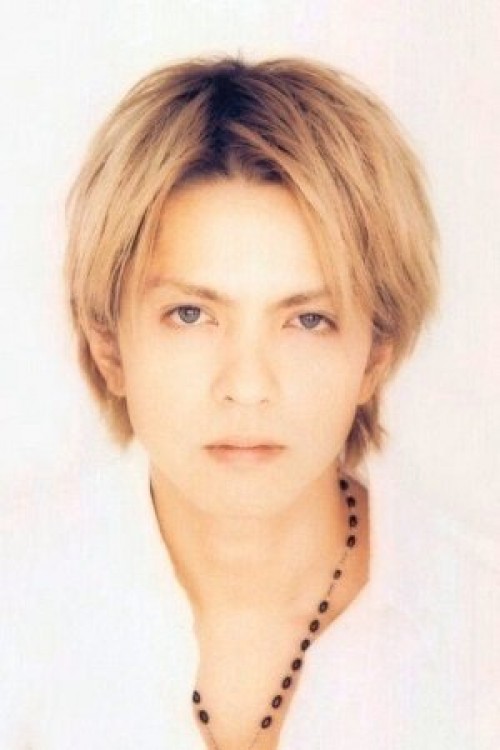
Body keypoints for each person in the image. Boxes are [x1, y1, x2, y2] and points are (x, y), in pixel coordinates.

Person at [1, 56, 451, 750]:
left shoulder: (474, 624)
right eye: (191, 314)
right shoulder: (18, 598)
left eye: (307, 320)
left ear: (375, 357)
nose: (247, 385)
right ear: (109, 346)